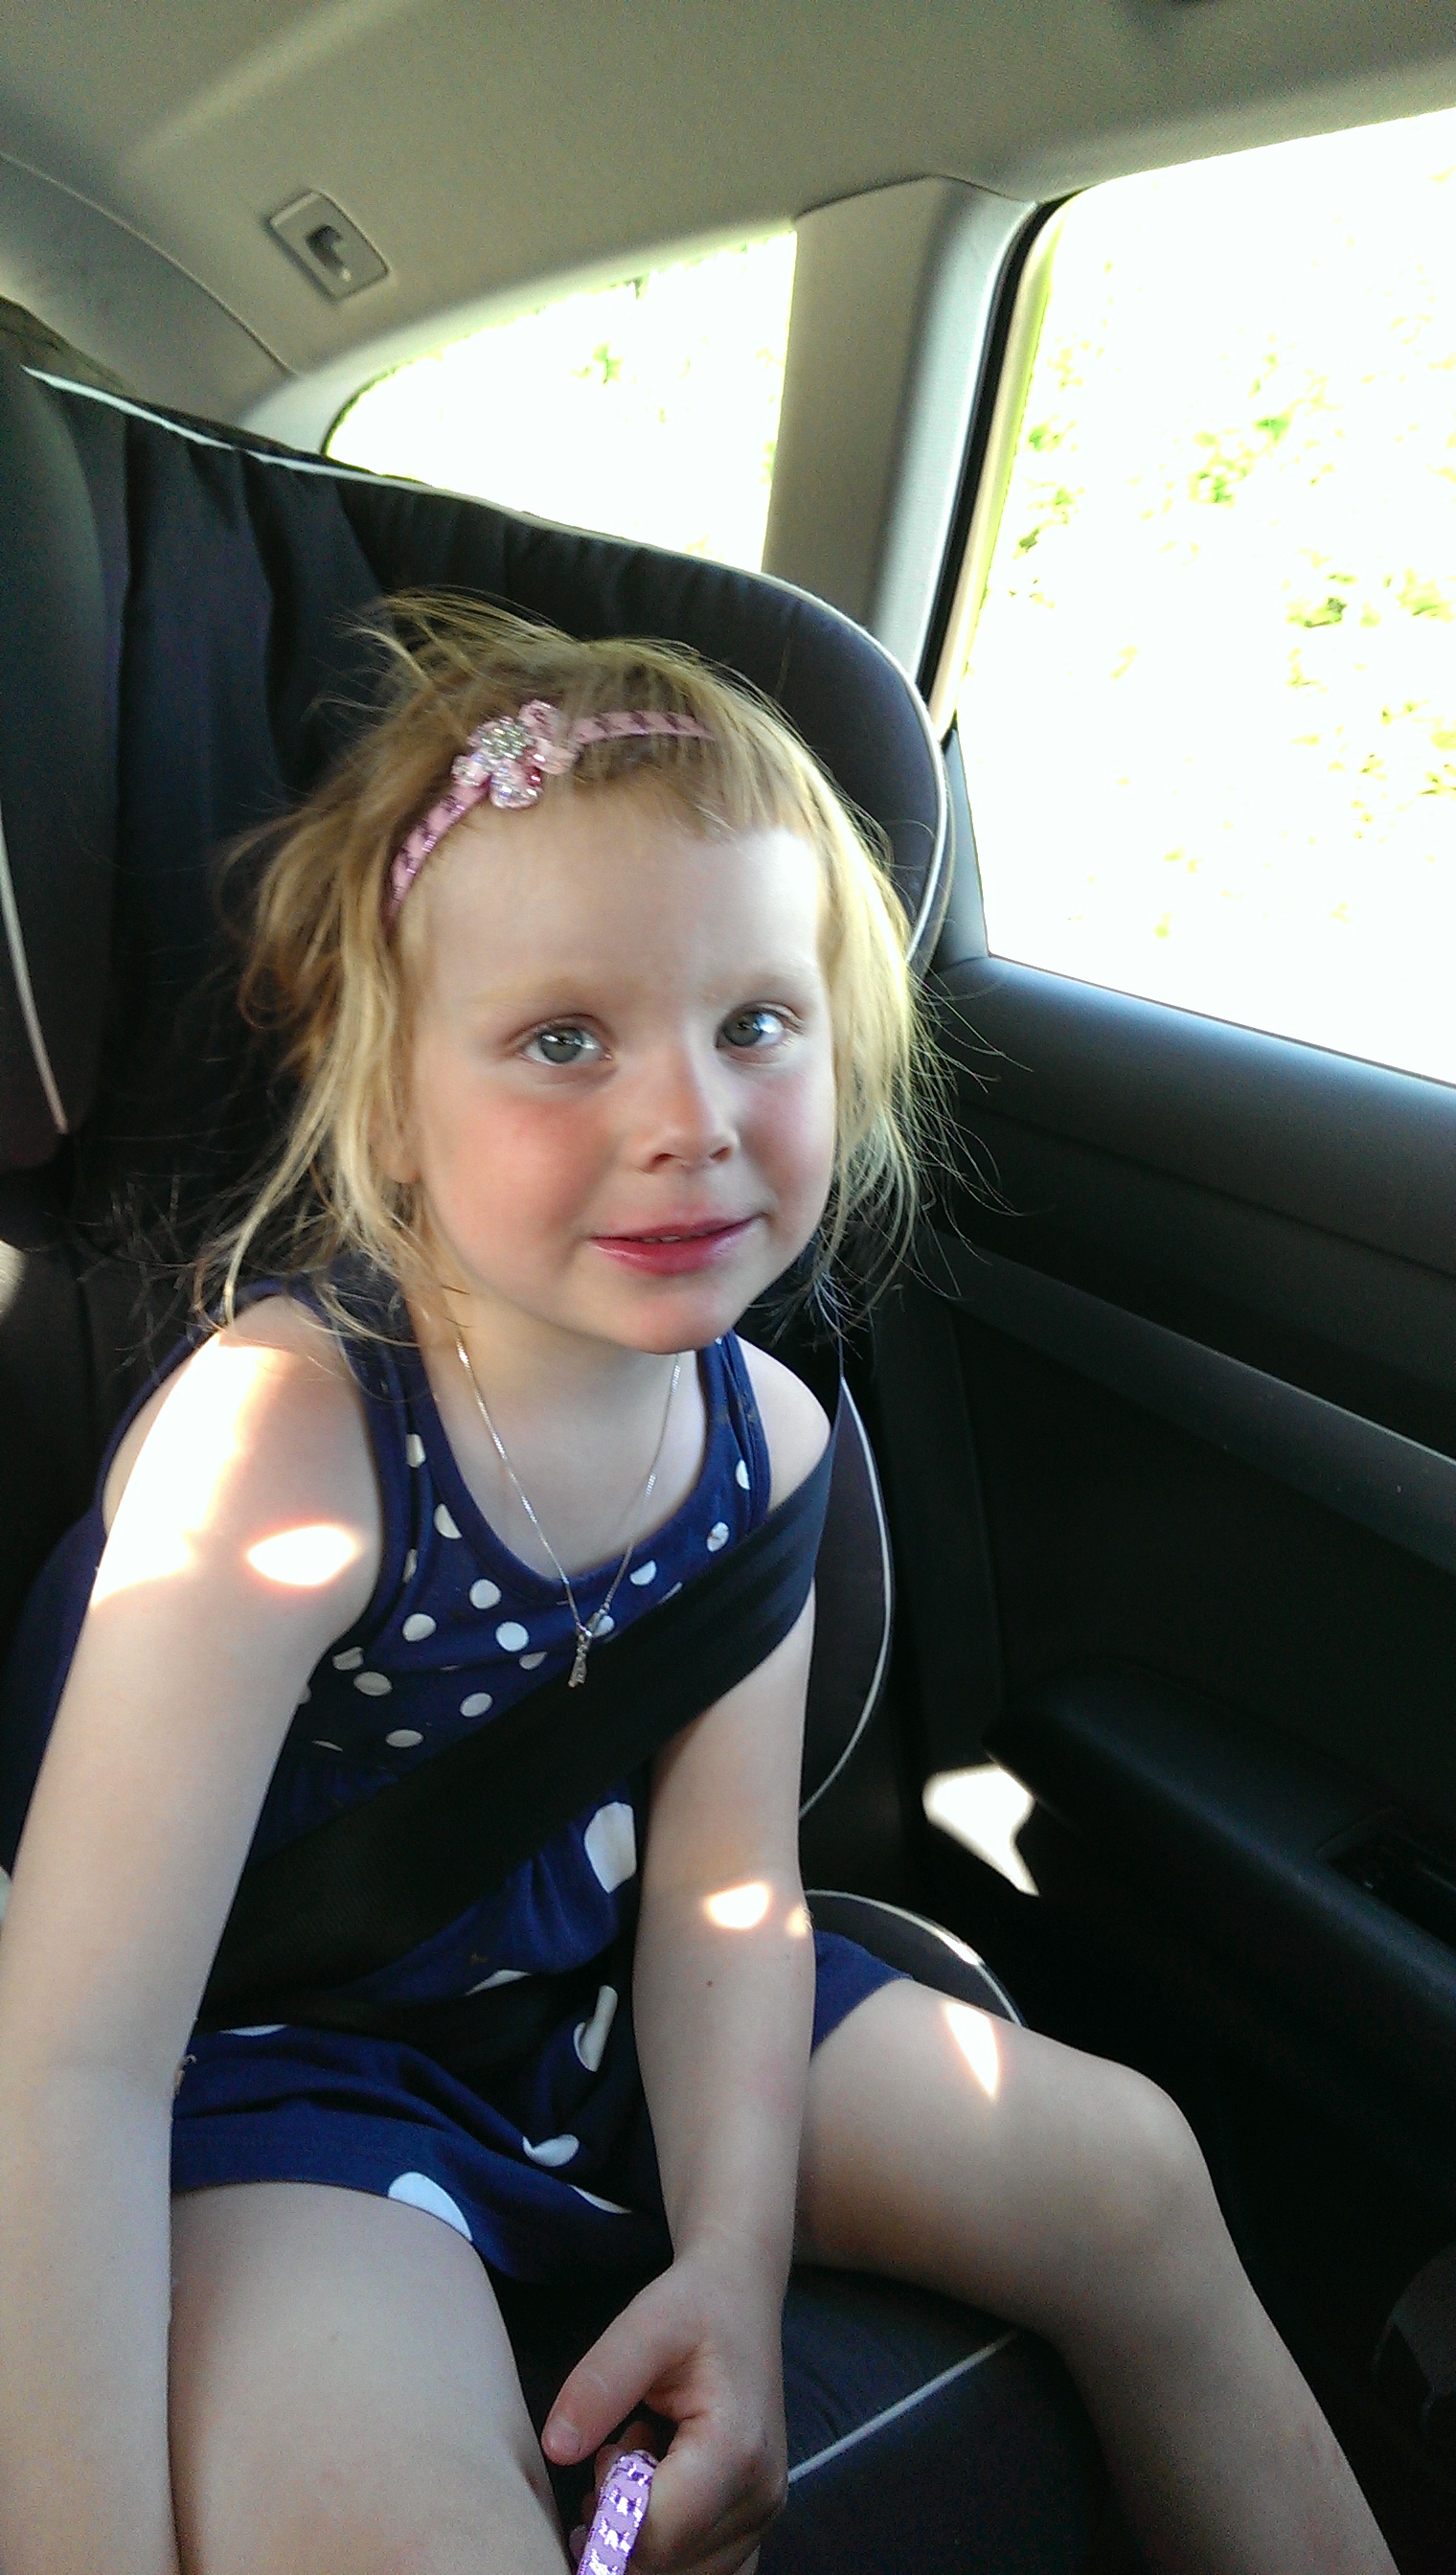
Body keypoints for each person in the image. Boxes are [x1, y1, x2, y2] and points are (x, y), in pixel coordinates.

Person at [0, 600, 1395, 2575]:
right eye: (562, 1040)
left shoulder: (770, 1443)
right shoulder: (288, 1442)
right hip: (269, 2075)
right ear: (391, 1100)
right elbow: (74, 2066)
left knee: (1127, 2168)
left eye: (756, 1025)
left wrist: (730, 2276)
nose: (688, 1120)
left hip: (586, 2024)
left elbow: (724, 1903)